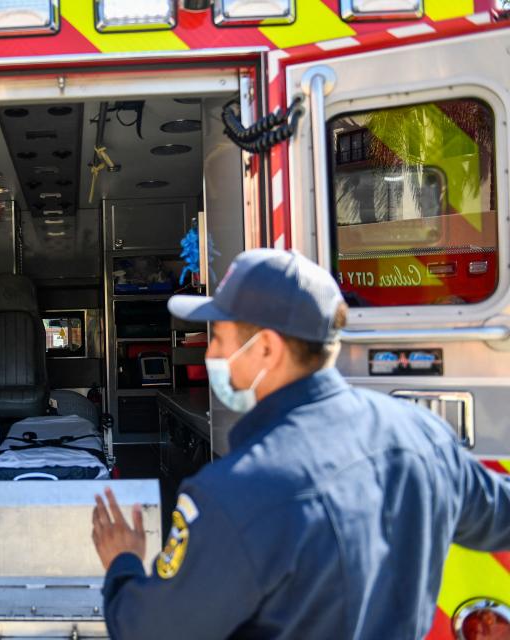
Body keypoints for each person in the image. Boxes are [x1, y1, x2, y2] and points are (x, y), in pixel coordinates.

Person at [91, 248, 510, 639]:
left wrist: (123, 560)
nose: (210, 353)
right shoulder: (422, 434)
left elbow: (149, 629)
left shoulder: (234, 492)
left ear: (267, 348)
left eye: (218, 337)